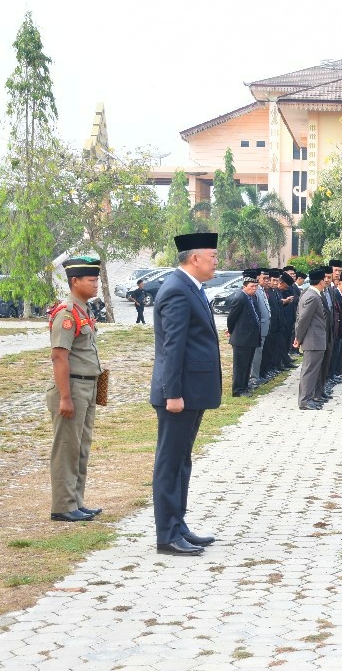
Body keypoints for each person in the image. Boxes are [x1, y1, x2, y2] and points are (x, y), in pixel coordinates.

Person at [150, 232, 222, 556]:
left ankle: (178, 526)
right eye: (213, 256)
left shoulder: (192, 288)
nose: (217, 261)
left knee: (182, 461)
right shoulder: (177, 290)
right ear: (195, 259)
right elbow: (172, 348)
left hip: (191, 392)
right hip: (179, 396)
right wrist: (173, 394)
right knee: (170, 462)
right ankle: (166, 535)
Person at [47, 256, 106, 523]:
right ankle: (62, 505)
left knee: (80, 448)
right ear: (75, 281)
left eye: (97, 280)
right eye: (92, 280)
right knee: (66, 447)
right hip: (71, 388)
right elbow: (59, 357)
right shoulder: (67, 313)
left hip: (87, 386)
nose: (96, 285)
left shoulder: (84, 311)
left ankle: (76, 502)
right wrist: (66, 398)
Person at [295, 267, 330, 410]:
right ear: (321, 281)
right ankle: (304, 401)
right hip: (313, 339)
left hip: (314, 339)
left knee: (313, 371)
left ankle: (310, 398)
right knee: (309, 371)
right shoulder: (312, 296)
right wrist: (298, 337)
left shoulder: (310, 294)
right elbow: (303, 319)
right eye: (325, 280)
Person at [225, 274, 262, 397]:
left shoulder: (253, 298)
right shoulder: (240, 298)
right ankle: (238, 390)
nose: (254, 289)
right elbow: (231, 317)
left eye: (256, 286)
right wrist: (231, 330)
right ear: (244, 287)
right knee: (240, 366)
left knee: (247, 364)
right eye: (252, 286)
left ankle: (245, 386)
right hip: (241, 338)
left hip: (251, 338)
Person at [248, 268, 271, 391]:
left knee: (260, 353)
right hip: (259, 327)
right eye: (264, 278)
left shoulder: (261, 290)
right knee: (256, 354)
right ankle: (253, 377)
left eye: (267, 278)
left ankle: (257, 375)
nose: (266, 281)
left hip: (265, 326)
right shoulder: (255, 291)